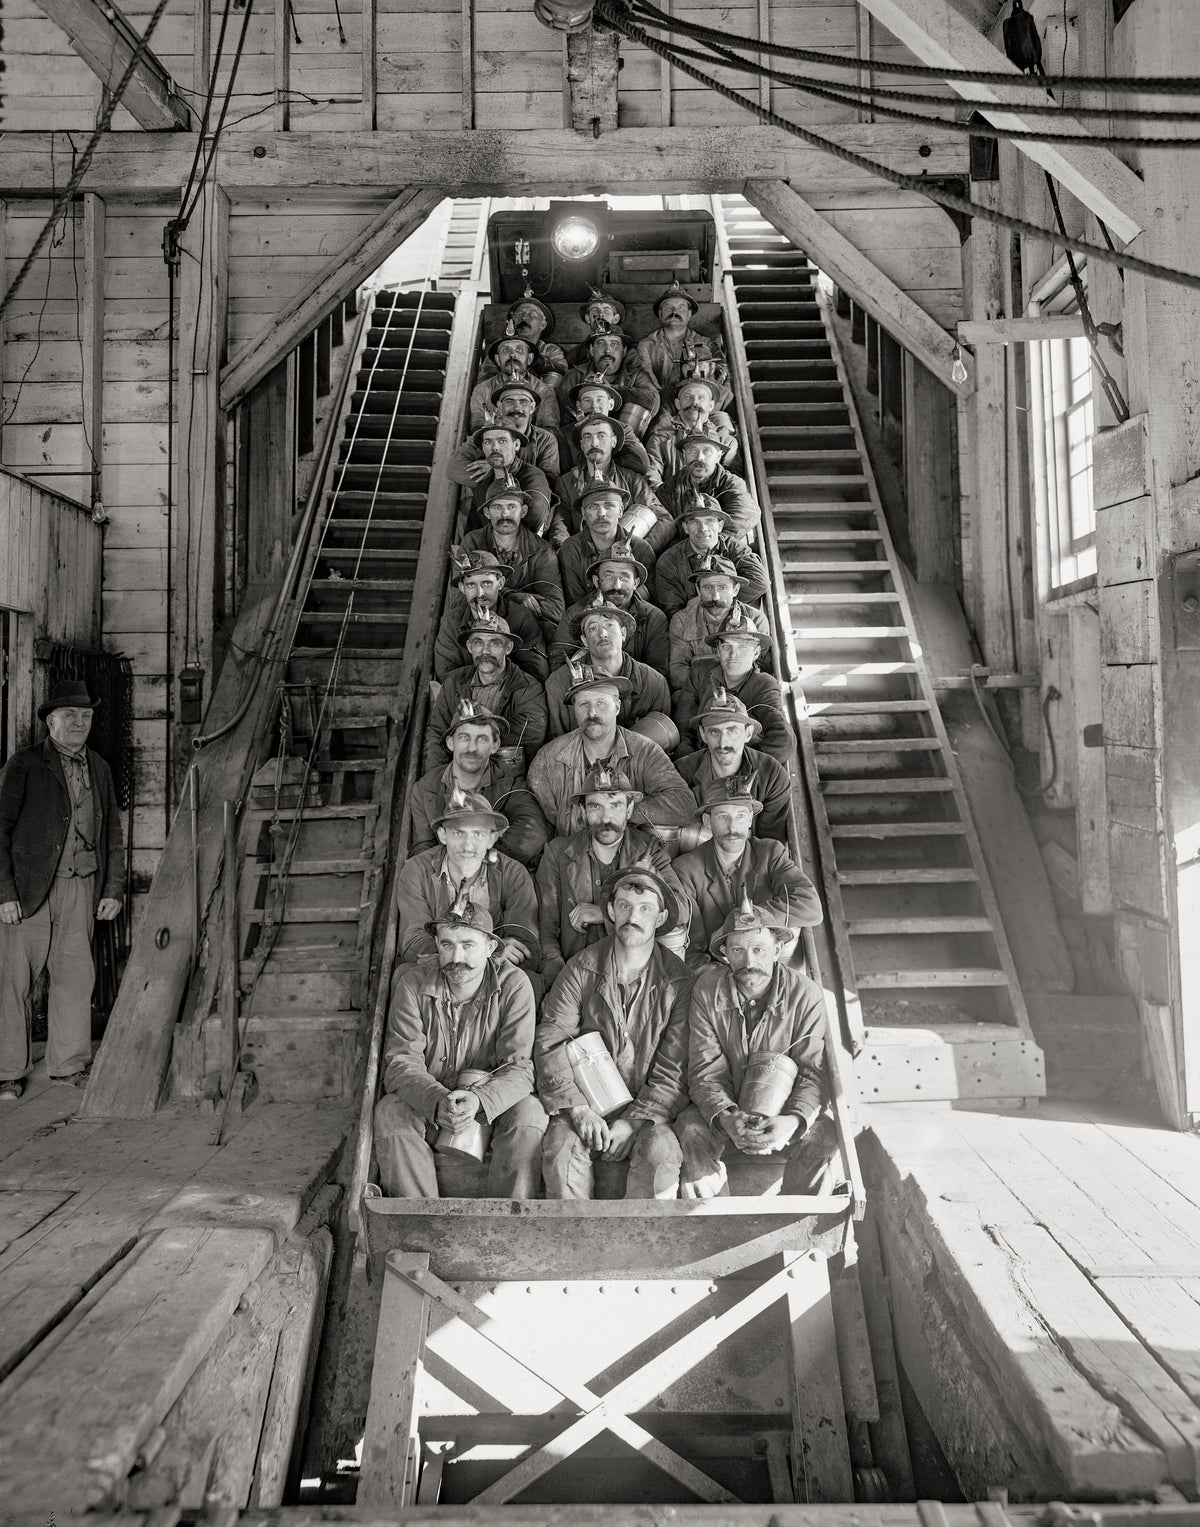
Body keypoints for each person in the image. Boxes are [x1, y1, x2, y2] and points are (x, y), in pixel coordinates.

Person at [535, 865, 692, 1199]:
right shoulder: (581, 967)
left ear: (661, 917)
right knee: (561, 1153)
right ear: (610, 911)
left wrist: (635, 1121)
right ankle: (572, 1246)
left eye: (645, 909)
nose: (632, 917)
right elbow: (551, 1039)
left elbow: (675, 1066)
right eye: (624, 906)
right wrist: (577, 1108)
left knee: (661, 1153)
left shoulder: (679, 981)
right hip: (585, 1104)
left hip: (650, 1111)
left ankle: (643, 1247)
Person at [373, 896, 547, 1198]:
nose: (457, 957)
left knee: (530, 1114)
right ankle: (419, 1225)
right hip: (430, 1103)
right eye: (447, 944)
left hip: (489, 1108)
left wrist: (480, 1101)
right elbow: (402, 1062)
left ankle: (508, 1227)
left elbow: (519, 1067)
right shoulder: (413, 985)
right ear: (437, 945)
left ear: (490, 947)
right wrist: (437, 1100)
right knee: (390, 1112)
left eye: (468, 945)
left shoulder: (515, 985)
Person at [0, 682, 125, 1100]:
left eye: (85, 716)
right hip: (29, 890)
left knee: (75, 978)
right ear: (51, 721)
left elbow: (112, 834)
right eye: (70, 715)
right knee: (12, 982)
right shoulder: (25, 764)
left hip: (80, 887)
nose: (79, 722)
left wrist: (113, 887)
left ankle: (68, 1065)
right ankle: (7, 1071)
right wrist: (4, 893)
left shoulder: (100, 767)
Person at [674, 898, 840, 1198]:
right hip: (727, 1110)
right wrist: (727, 1117)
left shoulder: (806, 995)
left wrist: (792, 1121)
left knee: (825, 1134)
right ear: (724, 954)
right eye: (738, 950)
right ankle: (713, 1223)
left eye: (759, 949)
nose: (749, 961)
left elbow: (813, 1073)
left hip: (782, 1113)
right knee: (689, 1128)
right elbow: (704, 1071)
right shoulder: (707, 991)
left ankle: (795, 1226)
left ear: (778, 949)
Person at [536, 764, 687, 986]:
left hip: (635, 978)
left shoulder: (650, 850)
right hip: (573, 975)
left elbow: (679, 910)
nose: (606, 818)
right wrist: (560, 979)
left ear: (628, 809)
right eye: (595, 806)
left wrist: (605, 913)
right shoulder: (557, 853)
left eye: (615, 805)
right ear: (582, 811)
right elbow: (546, 930)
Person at [394, 790, 541, 986]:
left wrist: (473, 961)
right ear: (442, 835)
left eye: (478, 834)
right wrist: (489, 954)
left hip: (493, 979)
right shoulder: (417, 871)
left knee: (528, 981)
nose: (468, 845)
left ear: (492, 838)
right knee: (405, 975)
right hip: (441, 974)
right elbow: (414, 945)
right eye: (458, 833)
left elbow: (524, 944)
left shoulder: (513, 874)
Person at [527, 668, 695, 838]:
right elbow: (539, 828)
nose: (592, 712)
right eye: (583, 704)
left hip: (630, 856)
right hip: (571, 857)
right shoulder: (548, 760)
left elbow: (683, 804)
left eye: (600, 703)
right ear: (574, 710)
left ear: (617, 707)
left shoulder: (645, 751)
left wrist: (621, 811)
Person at [671, 782, 821, 969]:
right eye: (723, 816)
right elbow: (692, 949)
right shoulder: (685, 869)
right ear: (708, 821)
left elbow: (810, 905)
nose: (732, 827)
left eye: (740, 816)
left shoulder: (770, 853)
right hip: (717, 973)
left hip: (769, 969)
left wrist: (752, 918)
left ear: (750, 819)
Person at [411, 700, 550, 868]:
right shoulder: (425, 789)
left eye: (482, 739)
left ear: (495, 746)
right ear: (450, 743)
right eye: (464, 737)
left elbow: (533, 834)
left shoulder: (510, 785)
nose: (472, 748)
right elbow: (423, 846)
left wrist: (476, 864)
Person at [424, 608, 548, 772]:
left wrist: (469, 734)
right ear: (469, 647)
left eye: (494, 643)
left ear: (508, 648)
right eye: (478, 642)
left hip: (505, 777)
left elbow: (533, 733)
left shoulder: (527, 687)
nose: (485, 651)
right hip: (459, 773)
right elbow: (436, 733)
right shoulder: (453, 683)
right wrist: (437, 775)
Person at [675, 607, 794, 762]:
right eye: (726, 647)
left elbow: (783, 741)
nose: (733, 655)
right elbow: (684, 725)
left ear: (756, 653)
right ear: (717, 651)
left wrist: (740, 765)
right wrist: (695, 764)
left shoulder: (764, 685)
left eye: (742, 647)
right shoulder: (701, 672)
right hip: (703, 762)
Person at [544, 594, 672, 739]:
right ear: (584, 640)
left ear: (623, 634)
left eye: (609, 625)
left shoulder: (654, 683)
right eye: (593, 629)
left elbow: (664, 739)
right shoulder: (560, 683)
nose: (603, 634)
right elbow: (558, 743)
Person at [676, 689, 792, 844]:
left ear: (748, 733)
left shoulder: (772, 776)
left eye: (732, 731)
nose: (723, 743)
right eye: (714, 733)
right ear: (703, 734)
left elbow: (769, 843)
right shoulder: (682, 773)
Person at [459, 479, 565, 646]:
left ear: (523, 511)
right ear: (487, 513)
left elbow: (555, 609)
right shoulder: (472, 542)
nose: (505, 515)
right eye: (497, 507)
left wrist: (493, 599)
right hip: (480, 627)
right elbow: (459, 596)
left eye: (511, 507)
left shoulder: (541, 550)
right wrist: (513, 596)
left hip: (525, 632)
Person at [550, 539, 669, 674]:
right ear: (596, 581)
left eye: (624, 578)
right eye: (608, 576)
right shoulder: (574, 615)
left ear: (636, 583)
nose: (616, 586)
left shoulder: (653, 618)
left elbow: (658, 674)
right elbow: (559, 664)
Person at [553, 416, 671, 551]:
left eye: (601, 436)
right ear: (581, 445)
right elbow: (560, 524)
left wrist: (638, 550)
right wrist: (568, 553)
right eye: (587, 437)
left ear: (613, 441)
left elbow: (664, 518)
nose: (594, 443)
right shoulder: (567, 482)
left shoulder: (632, 479)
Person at [434, 550, 548, 682]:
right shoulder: (451, 622)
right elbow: (446, 674)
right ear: (461, 588)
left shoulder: (521, 617)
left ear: (500, 583)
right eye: (471, 585)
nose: (480, 593)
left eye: (487, 583)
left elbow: (537, 670)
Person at [667, 554, 771, 692]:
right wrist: (712, 694)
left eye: (722, 588)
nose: (715, 596)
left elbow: (760, 669)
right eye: (708, 588)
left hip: (743, 693)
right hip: (699, 694)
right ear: (698, 590)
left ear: (735, 590)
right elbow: (678, 672)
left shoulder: (756, 620)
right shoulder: (681, 621)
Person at [654, 495, 767, 620]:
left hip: (733, 621)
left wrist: (719, 604)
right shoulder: (669, 562)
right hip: (693, 626)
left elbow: (759, 582)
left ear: (720, 526)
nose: (703, 528)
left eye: (709, 521)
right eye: (695, 522)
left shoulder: (736, 549)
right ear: (685, 527)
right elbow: (672, 611)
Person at [557, 485, 656, 610]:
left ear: (620, 511)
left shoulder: (641, 549)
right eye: (593, 507)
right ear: (583, 513)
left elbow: (648, 600)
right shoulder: (571, 549)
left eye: (609, 506)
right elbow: (575, 601)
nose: (601, 514)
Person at [448, 380, 560, 483]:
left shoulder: (545, 440)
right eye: (509, 402)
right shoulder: (485, 435)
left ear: (532, 408)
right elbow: (454, 469)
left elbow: (548, 481)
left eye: (523, 402)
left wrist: (497, 469)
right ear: (499, 406)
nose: (517, 408)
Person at [659, 429, 760, 545]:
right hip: (681, 553)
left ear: (718, 456)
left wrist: (710, 544)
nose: (699, 457)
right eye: (692, 451)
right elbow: (664, 526)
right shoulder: (669, 488)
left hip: (722, 550)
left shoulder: (730, 483)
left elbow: (744, 513)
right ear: (684, 455)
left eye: (707, 451)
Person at [455, 417, 552, 536]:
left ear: (516, 445)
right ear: (483, 449)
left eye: (502, 441)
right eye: (488, 442)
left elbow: (533, 522)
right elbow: (472, 530)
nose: (494, 447)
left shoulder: (533, 477)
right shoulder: (484, 485)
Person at [561, 323, 660, 439]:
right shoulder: (575, 376)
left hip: (626, 440)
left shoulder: (636, 375)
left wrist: (610, 389)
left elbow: (653, 400)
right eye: (601, 343)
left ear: (624, 351)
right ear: (592, 350)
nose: (607, 350)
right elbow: (566, 416)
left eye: (614, 344)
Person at [634, 279, 727, 396]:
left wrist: (706, 390)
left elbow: (723, 368)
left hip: (698, 400)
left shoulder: (705, 343)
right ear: (660, 314)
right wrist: (660, 398)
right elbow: (644, 375)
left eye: (681, 307)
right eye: (668, 307)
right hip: (660, 402)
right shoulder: (647, 344)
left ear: (689, 314)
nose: (674, 312)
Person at [557, 374, 653, 479]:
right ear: (579, 406)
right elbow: (564, 475)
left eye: (600, 400)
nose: (594, 406)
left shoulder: (623, 430)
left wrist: (603, 463)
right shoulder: (565, 434)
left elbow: (641, 464)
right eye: (587, 400)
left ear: (610, 404)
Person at [646, 376, 738, 485]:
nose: (695, 402)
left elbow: (733, 483)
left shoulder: (725, 440)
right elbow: (652, 476)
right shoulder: (661, 438)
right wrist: (667, 496)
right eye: (688, 397)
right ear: (678, 404)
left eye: (701, 398)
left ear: (710, 405)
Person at [469, 323, 559, 430]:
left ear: (529, 358)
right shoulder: (482, 390)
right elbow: (477, 427)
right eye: (505, 350)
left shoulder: (544, 391)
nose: (512, 355)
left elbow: (549, 429)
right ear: (498, 359)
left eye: (519, 350)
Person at [476, 290, 568, 382]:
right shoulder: (500, 348)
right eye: (520, 314)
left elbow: (562, 370)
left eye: (532, 315)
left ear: (542, 325)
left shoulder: (549, 350)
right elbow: (485, 380)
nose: (524, 318)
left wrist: (537, 360)